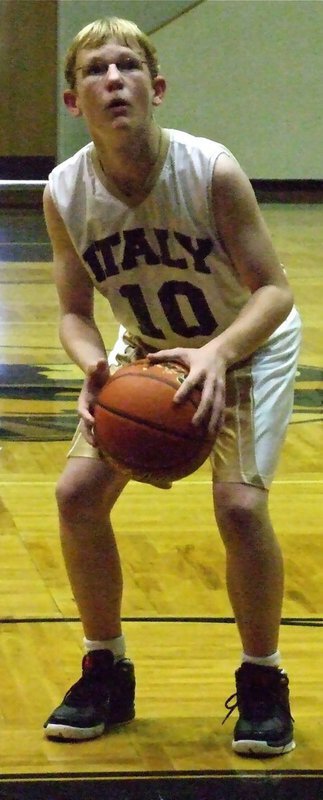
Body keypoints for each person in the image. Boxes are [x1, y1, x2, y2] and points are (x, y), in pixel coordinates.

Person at [42, 16, 301, 756]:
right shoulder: (64, 191)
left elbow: (273, 294)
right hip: (148, 352)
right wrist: (96, 366)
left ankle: (261, 678)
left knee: (239, 507)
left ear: (155, 90)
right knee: (74, 495)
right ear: (73, 101)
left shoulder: (209, 170)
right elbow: (70, 312)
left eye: (127, 66)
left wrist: (217, 354)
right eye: (95, 70)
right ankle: (106, 668)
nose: (113, 79)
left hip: (243, 346)